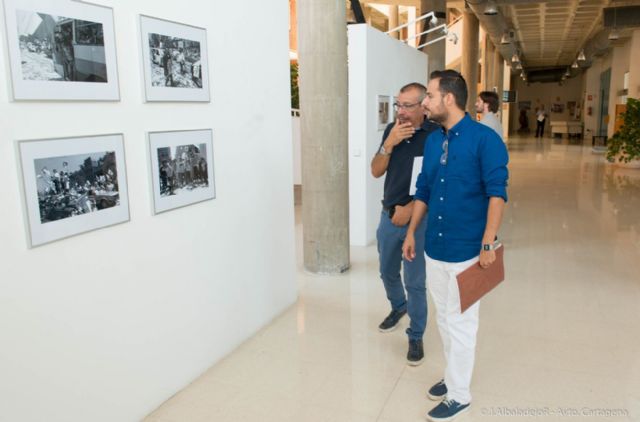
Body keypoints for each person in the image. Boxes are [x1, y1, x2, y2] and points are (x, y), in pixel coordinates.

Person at [402, 70, 509, 421]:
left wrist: (488, 242)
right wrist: (411, 232)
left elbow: (497, 193)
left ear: (448, 98)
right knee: (446, 320)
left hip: (468, 252)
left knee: (462, 323)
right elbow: (424, 189)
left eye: (430, 96)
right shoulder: (434, 141)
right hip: (435, 248)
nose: (425, 103)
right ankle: (452, 378)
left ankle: (460, 395)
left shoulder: (485, 140)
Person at [371, 82, 440, 366]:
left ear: (423, 106)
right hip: (388, 216)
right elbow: (376, 171)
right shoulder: (392, 130)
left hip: (419, 221)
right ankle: (399, 307)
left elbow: (440, 184)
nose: (400, 111)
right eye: (398, 105)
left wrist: (410, 210)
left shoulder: (436, 136)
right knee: (387, 271)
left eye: (407, 106)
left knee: (415, 282)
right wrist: (389, 144)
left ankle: (416, 334)